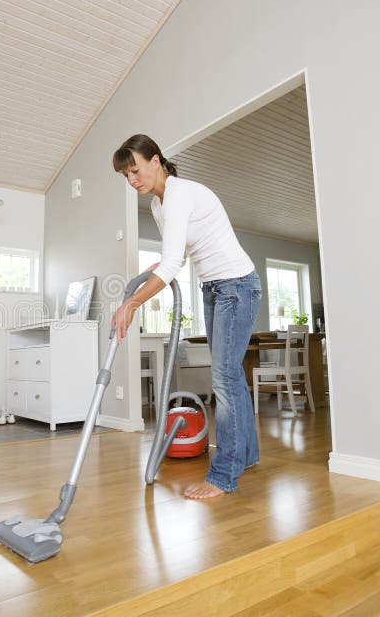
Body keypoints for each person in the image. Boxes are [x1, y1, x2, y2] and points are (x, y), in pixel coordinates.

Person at [111, 134, 261, 499]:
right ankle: (247, 455)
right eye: (126, 176)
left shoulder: (179, 195)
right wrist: (155, 271)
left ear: (156, 161)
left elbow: (174, 263)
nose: (132, 180)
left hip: (237, 286)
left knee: (223, 379)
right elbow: (173, 256)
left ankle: (223, 475)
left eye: (135, 170)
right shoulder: (158, 207)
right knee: (232, 378)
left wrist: (131, 303)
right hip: (214, 288)